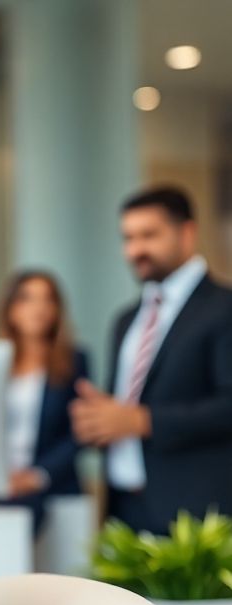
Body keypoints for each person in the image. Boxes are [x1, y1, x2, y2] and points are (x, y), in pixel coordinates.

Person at [72, 186, 232, 534]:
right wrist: (101, 419)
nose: (135, 250)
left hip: (194, 516)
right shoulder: (126, 319)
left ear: (187, 233)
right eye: (127, 237)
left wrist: (142, 421)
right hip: (124, 510)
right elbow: (126, 409)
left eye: (149, 235)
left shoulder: (224, 308)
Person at [0, 271, 88, 535]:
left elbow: (79, 433)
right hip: (0, 484)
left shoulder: (74, 361)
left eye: (48, 299)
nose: (39, 308)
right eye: (27, 299)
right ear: (10, 310)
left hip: (48, 487)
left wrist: (37, 476)